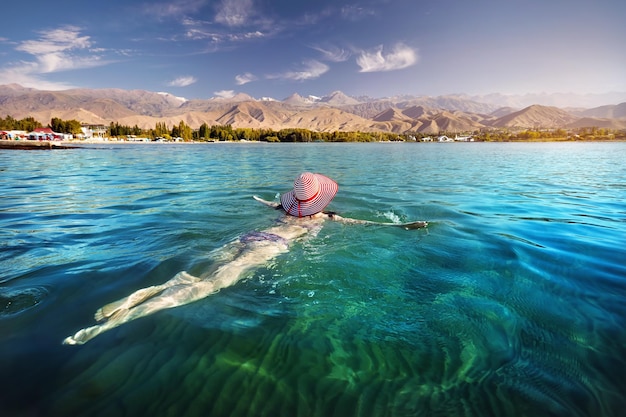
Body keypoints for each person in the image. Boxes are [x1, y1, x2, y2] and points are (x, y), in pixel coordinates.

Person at [63, 172, 427, 345]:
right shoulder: (326, 218)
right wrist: (401, 228)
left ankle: (131, 298)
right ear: (321, 200)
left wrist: (259, 200)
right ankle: (103, 328)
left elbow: (271, 203)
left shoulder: (283, 209)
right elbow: (363, 223)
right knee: (203, 289)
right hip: (268, 247)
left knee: (189, 277)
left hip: (245, 238)